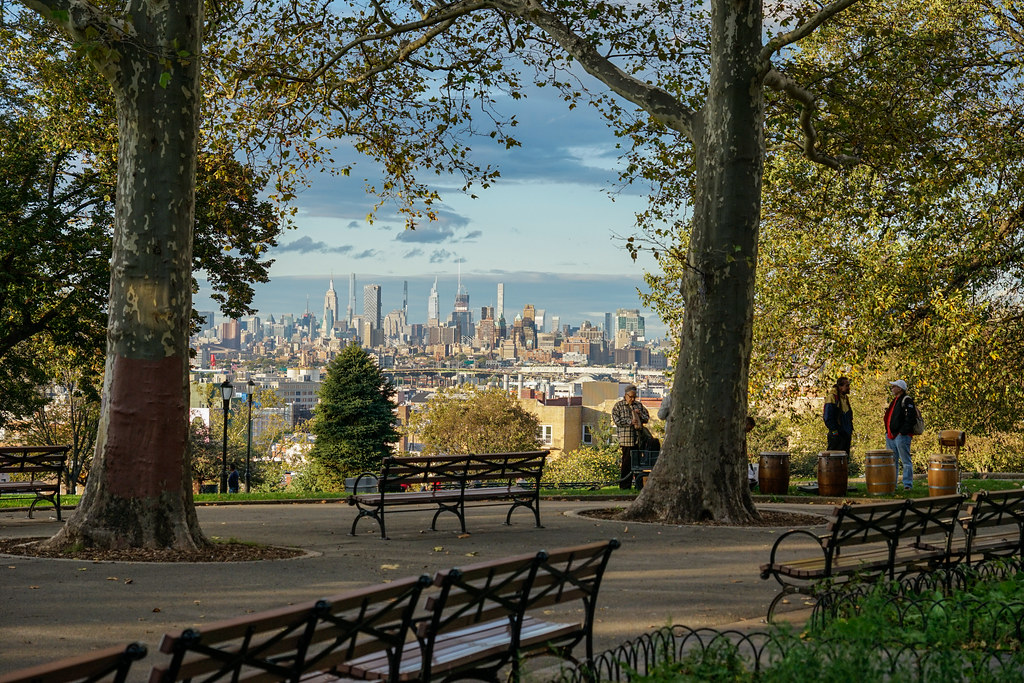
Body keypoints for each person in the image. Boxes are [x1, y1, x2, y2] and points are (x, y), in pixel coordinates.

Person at [612, 385, 650, 489]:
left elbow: (647, 418)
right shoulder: (618, 406)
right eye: (631, 397)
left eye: (634, 397)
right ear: (625, 395)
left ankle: (639, 485)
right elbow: (617, 421)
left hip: (638, 439)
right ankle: (625, 486)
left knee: (638, 463)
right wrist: (630, 422)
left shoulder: (639, 405)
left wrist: (640, 415)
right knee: (626, 463)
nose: (632, 399)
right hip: (626, 440)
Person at [884, 380, 916, 490]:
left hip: (901, 435)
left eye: (894, 386)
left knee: (905, 461)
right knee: (893, 462)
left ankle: (907, 485)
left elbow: (911, 418)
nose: (892, 388)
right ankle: (893, 485)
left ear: (900, 389)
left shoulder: (906, 400)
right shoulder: (894, 401)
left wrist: (902, 431)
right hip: (891, 435)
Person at [823, 377, 854, 454]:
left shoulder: (845, 398)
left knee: (845, 460)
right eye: (847, 386)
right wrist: (835, 432)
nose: (849, 388)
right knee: (833, 459)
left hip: (846, 434)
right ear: (840, 387)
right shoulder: (832, 398)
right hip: (837, 435)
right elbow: (828, 417)